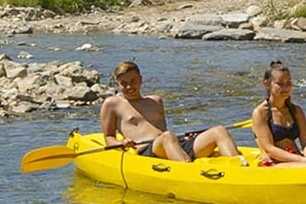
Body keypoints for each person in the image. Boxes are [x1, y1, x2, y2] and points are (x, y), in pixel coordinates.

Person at [99, 61, 241, 163]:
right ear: (117, 84)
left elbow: (163, 131)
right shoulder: (112, 104)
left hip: (171, 144)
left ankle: (239, 168)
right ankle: (187, 171)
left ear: (140, 80)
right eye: (124, 83)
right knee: (167, 137)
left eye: (133, 81)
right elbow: (109, 138)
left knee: (219, 130)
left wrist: (183, 139)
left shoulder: (156, 100)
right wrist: (122, 142)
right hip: (147, 151)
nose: (129, 86)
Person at [244, 60, 306, 167]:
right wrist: (303, 161)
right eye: (280, 84)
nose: (286, 88)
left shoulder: (296, 111)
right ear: (267, 84)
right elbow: (270, 150)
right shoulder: (261, 113)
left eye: (288, 83)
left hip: (296, 157)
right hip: (274, 162)